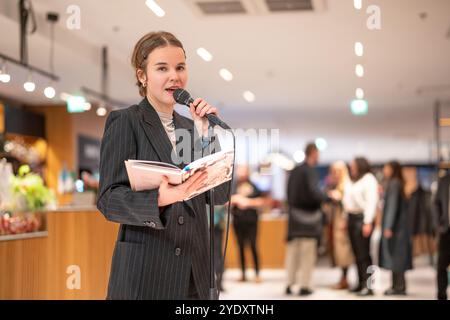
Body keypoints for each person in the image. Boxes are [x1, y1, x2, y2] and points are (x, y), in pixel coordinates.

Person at [97, 31, 230, 300]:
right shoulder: (126, 122)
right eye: (162, 68)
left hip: (196, 273)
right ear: (142, 76)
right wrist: (160, 198)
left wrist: (205, 136)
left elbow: (219, 195)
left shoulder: (191, 127)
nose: (174, 76)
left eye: (180, 67)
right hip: (147, 271)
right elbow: (108, 200)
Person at [285, 143, 326, 296]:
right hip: (309, 218)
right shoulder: (310, 172)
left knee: (292, 253)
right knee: (307, 254)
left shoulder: (294, 171)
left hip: (294, 219)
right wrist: (327, 197)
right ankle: (304, 286)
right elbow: (314, 193)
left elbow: (288, 194)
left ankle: (289, 283)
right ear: (313, 153)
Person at [343, 157, 379, 297]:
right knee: (357, 254)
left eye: (353, 165)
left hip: (363, 219)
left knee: (365, 254)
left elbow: (371, 201)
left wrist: (368, 222)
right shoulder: (352, 180)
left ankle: (369, 285)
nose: (351, 167)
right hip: (352, 218)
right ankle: (360, 282)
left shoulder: (368, 179)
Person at [378, 161, 412, 296]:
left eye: (386, 168)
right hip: (400, 228)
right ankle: (398, 286)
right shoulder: (398, 183)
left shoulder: (394, 184)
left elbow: (392, 206)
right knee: (398, 257)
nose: (384, 170)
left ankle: (398, 287)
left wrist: (388, 226)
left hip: (396, 229)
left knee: (396, 257)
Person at [230, 165, 267, 283]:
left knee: (253, 246)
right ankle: (243, 273)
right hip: (237, 221)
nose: (242, 174)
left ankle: (257, 273)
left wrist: (247, 202)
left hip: (251, 221)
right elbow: (226, 201)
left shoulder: (254, 186)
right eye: (240, 172)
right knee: (240, 247)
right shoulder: (233, 186)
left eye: (243, 172)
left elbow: (262, 201)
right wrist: (236, 199)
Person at [326, 161, 354, 290]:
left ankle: (345, 279)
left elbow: (348, 206)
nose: (335, 174)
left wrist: (344, 220)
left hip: (342, 222)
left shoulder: (346, 185)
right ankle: (343, 278)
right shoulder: (335, 185)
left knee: (343, 251)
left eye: (338, 171)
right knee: (338, 250)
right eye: (333, 171)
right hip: (335, 221)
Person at [433, 172, 450, 300]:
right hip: (446, 229)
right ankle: (441, 293)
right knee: (442, 263)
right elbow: (436, 203)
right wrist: (438, 224)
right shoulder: (444, 180)